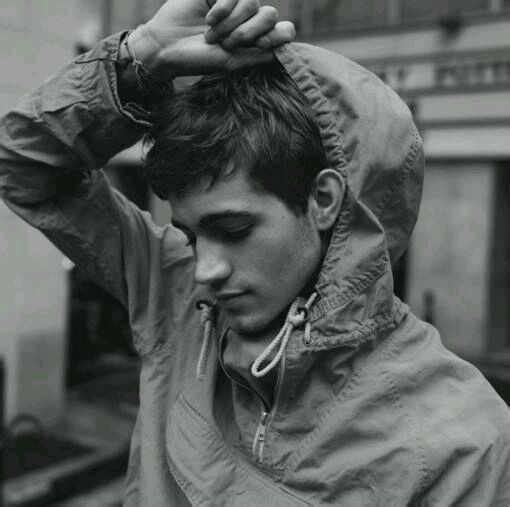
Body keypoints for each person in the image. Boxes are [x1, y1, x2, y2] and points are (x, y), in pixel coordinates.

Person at [1, 0, 509, 504]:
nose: (206, 270)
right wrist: (141, 60)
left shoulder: (463, 443)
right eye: (191, 236)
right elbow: (23, 169)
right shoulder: (178, 297)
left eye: (234, 229)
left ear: (323, 200)